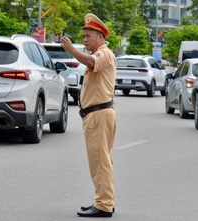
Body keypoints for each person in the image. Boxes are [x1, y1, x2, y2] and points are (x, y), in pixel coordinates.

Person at [61, 13, 117, 218]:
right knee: (99, 161)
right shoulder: (100, 53)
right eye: (83, 36)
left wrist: (72, 50)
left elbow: (92, 61)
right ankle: (103, 200)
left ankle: (104, 204)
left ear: (101, 37)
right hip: (96, 115)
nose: (85, 39)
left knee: (100, 161)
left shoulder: (104, 53)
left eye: (89, 36)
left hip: (99, 114)